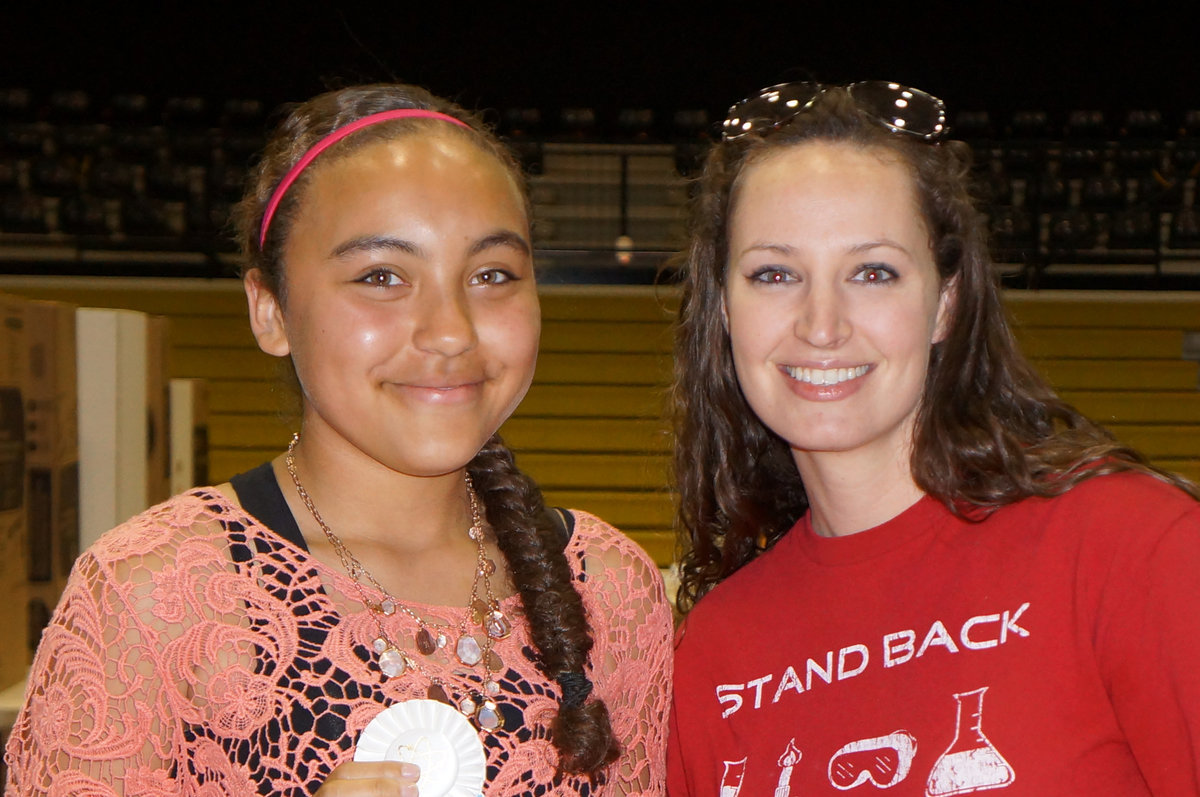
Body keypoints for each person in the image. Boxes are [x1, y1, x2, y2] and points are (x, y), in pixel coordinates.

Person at [4, 84, 672, 796]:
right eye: (381, 276)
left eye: (491, 274)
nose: (451, 331)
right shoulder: (154, 596)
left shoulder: (613, 592)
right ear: (270, 310)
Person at [666, 81, 1200, 796]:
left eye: (873, 272)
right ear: (725, 309)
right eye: (775, 273)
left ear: (946, 302)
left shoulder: (1130, 548)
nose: (821, 325)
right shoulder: (713, 649)